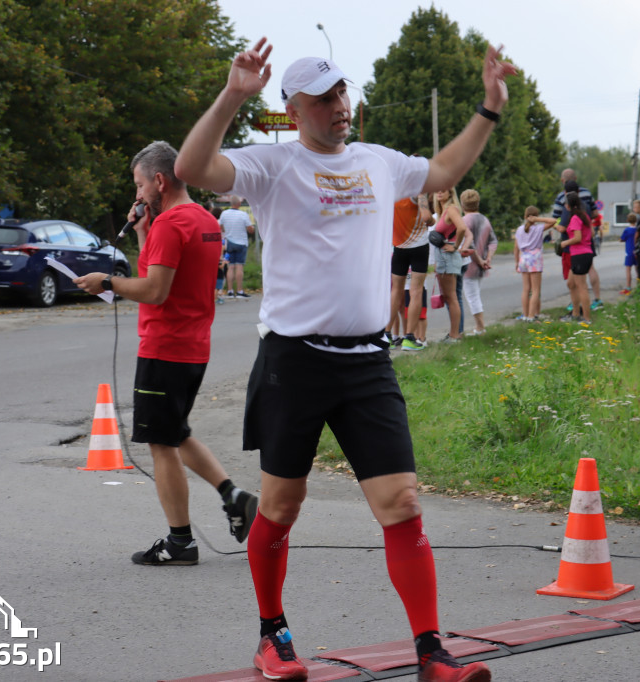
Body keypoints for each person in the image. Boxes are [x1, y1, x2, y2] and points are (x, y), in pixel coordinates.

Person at [175, 37, 514, 682]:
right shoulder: (271, 165)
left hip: (367, 363)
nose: (340, 105)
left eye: (343, 92)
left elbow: (442, 172)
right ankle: (273, 636)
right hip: (294, 361)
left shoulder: (377, 161)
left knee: (403, 503)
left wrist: (488, 109)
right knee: (280, 506)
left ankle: (430, 652)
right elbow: (193, 167)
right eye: (325, 96)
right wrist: (232, 94)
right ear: (294, 107)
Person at [74, 142, 257, 566]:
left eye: (139, 185)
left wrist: (107, 282)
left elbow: (154, 291)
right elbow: (161, 275)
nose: (137, 196)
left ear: (159, 181)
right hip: (193, 345)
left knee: (161, 441)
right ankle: (234, 497)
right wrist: (141, 231)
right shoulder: (204, 221)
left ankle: (180, 542)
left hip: (165, 347)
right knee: (176, 430)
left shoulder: (171, 224)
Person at [386, 192, 432, 351]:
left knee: (396, 290)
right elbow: (426, 217)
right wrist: (433, 220)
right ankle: (409, 338)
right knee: (416, 290)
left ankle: (387, 335)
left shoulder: (393, 191)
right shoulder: (419, 191)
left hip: (398, 246)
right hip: (419, 246)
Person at [552, 170, 603, 312]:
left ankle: (577, 306)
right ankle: (598, 299)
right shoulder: (586, 194)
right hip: (587, 238)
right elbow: (595, 213)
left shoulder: (562, 198)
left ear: (563, 181)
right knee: (591, 268)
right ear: (576, 179)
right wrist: (586, 223)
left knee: (575, 278)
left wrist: (557, 226)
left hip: (571, 241)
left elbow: (556, 218)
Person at [459, 189, 497, 335]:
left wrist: (480, 260)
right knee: (476, 294)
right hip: (482, 264)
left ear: (462, 204)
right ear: (478, 203)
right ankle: (479, 327)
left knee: (471, 296)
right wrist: (488, 258)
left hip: (469, 264)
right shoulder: (485, 220)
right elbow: (493, 240)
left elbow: (469, 245)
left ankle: (480, 327)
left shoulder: (463, 221)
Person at [432, 188, 468, 343]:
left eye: (443, 190)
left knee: (452, 297)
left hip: (448, 256)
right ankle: (454, 333)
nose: (439, 192)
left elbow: (462, 228)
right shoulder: (443, 211)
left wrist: (455, 246)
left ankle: (455, 335)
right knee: (449, 297)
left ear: (450, 193)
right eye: (437, 190)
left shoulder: (451, 209)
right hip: (443, 257)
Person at [513, 206, 555, 321]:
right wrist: (538, 219)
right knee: (536, 290)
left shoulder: (519, 229)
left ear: (524, 217)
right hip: (535, 258)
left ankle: (525, 315)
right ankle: (532, 316)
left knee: (526, 289)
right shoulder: (538, 228)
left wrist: (517, 262)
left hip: (523, 258)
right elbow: (553, 221)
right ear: (535, 217)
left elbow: (516, 248)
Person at [558, 192, 595, 323]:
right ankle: (575, 314)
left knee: (581, 286)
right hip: (584, 253)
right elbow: (592, 232)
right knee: (571, 283)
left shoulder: (574, 218)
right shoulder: (584, 216)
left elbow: (577, 238)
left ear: (568, 206)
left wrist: (565, 243)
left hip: (579, 254)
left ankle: (586, 319)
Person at [219, 195, 254, 299]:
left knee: (230, 267)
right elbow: (250, 229)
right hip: (241, 243)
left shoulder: (224, 214)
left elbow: (220, 227)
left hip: (229, 243)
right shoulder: (243, 215)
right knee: (239, 267)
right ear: (239, 204)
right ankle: (239, 291)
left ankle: (230, 291)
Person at [619, 212, 638, 295]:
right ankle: (639, 287)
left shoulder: (627, 230)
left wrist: (621, 240)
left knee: (628, 270)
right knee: (638, 270)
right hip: (637, 252)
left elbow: (622, 239)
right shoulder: (637, 229)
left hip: (629, 252)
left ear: (627, 220)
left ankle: (628, 287)